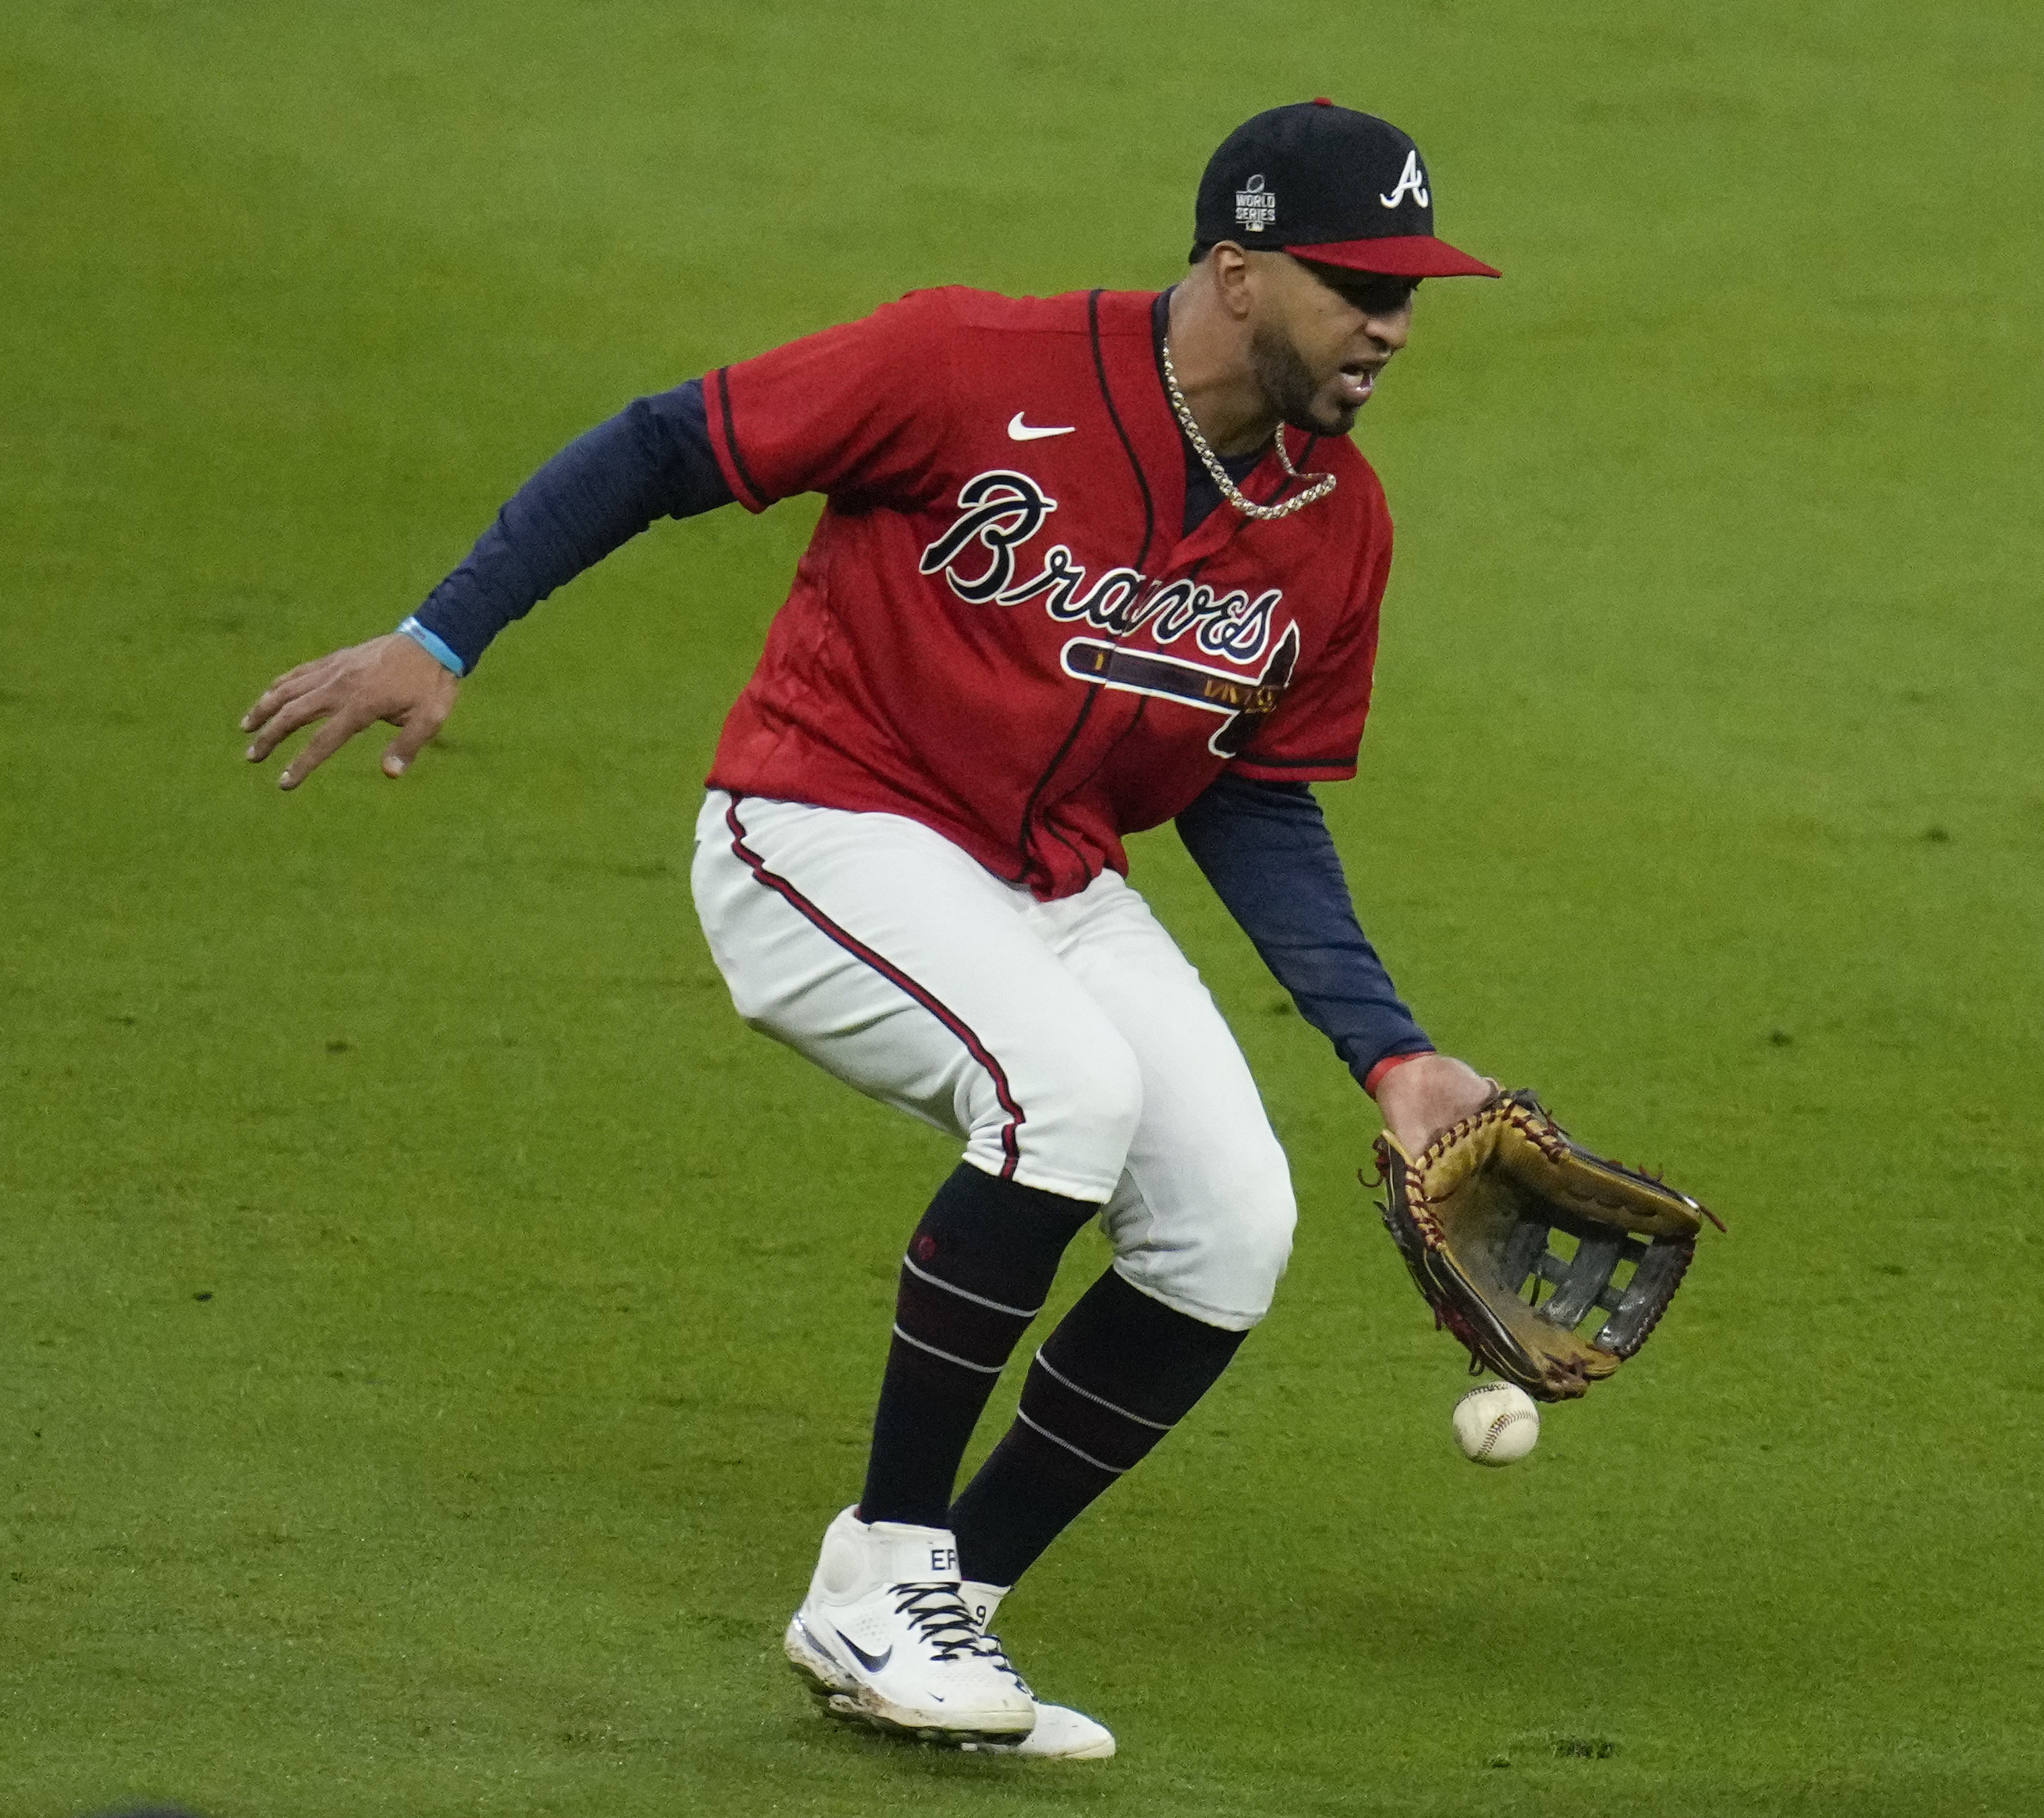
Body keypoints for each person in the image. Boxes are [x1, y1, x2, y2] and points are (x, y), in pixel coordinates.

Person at [238, 100, 1501, 1760]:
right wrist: (443, 631)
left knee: (1229, 1227)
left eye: (1411, 289)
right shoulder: (967, 364)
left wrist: (1392, 1052)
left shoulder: (1334, 520)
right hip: (820, 822)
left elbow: (1252, 792)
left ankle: (944, 1614)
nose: (1394, 324)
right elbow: (664, 443)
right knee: (1063, 1092)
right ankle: (878, 1565)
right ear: (1238, 272)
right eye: (1360, 284)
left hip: (1043, 873)